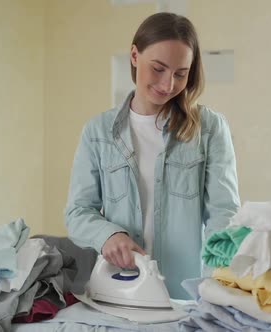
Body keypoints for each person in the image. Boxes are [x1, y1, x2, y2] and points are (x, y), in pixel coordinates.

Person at [64, 12, 240, 300]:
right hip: (121, 294)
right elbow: (77, 212)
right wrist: (108, 235)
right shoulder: (98, 132)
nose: (168, 84)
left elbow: (224, 214)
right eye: (158, 68)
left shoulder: (209, 128)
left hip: (187, 295)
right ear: (135, 55)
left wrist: (214, 284)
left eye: (180, 74)